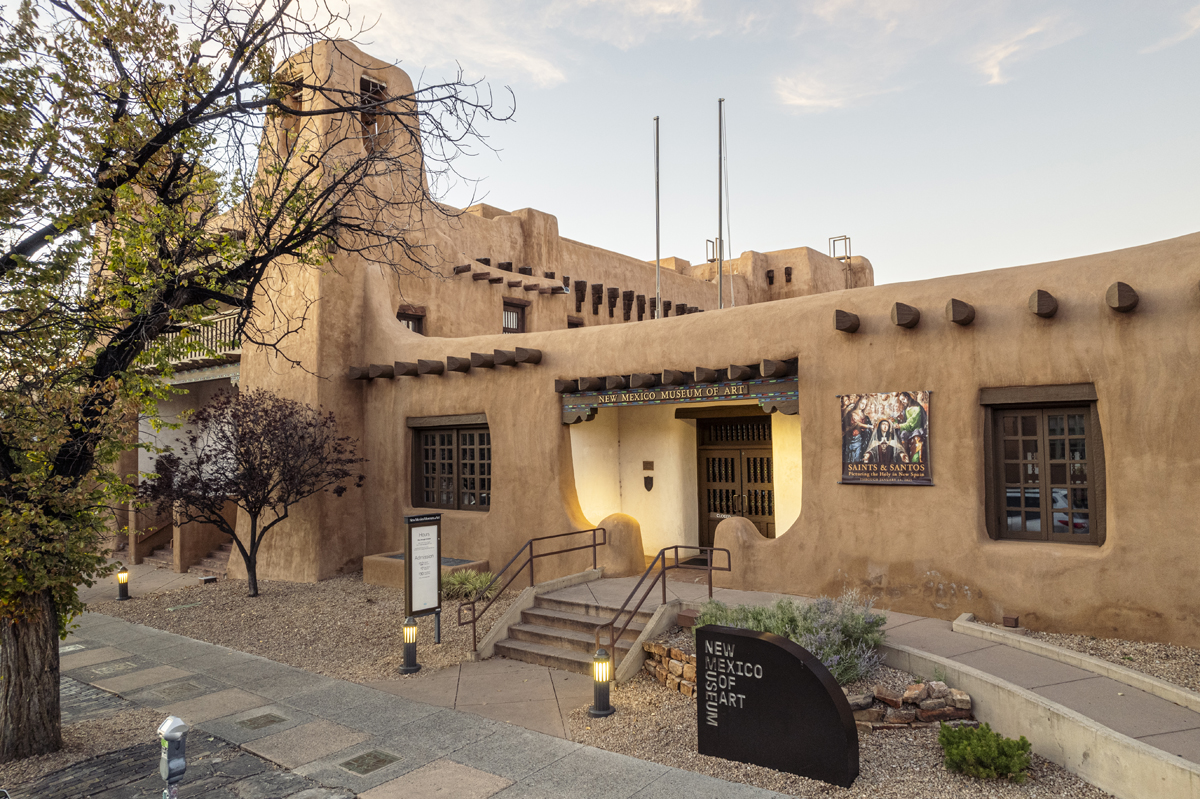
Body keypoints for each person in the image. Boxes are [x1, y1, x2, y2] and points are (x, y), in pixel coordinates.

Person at [842, 395, 873, 463]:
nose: (863, 405)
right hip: (852, 438)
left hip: (860, 439)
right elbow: (856, 424)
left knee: (857, 457)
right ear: (859, 402)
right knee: (850, 457)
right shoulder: (852, 413)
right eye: (862, 403)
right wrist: (868, 426)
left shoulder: (864, 415)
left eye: (865, 404)